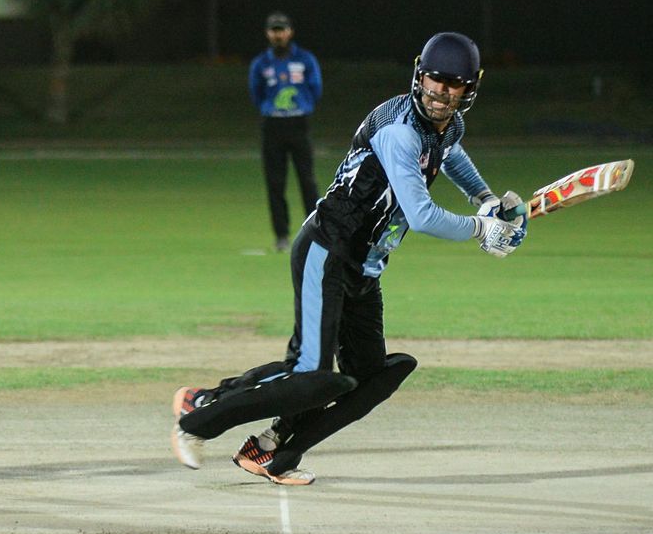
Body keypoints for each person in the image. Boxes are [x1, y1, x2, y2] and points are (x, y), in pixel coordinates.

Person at [172, 32, 527, 485]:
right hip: (327, 248)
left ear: (469, 88)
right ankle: (198, 417)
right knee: (311, 375)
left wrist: (485, 198)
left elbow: (451, 153)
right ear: (420, 76)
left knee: (372, 378)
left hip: (365, 266)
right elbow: (421, 216)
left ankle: (272, 450)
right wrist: (482, 227)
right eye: (435, 79)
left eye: (454, 83)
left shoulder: (448, 125)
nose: (442, 91)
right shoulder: (399, 131)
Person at [248, 12, 323, 252]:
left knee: (307, 180)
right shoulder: (261, 63)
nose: (278, 35)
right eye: (274, 30)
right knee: (275, 182)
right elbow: (256, 93)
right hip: (272, 125)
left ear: (290, 32)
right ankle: (281, 235)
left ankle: (315, 232)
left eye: (281, 30)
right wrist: (271, 109)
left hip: (298, 123)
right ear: (268, 33)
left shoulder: (305, 59)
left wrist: (301, 106)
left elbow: (315, 88)